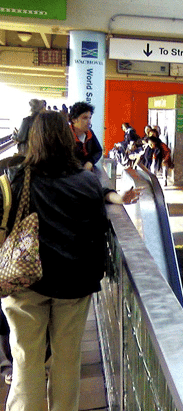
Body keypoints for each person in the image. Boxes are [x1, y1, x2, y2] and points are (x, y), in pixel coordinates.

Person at [1, 110, 108, 411]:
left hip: (25, 283)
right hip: (74, 285)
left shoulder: (16, 178)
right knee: (67, 359)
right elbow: (96, 230)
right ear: (66, 139)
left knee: (25, 359)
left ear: (31, 141)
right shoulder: (87, 181)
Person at [68, 101, 103, 171]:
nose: (89, 121)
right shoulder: (65, 135)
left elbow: (98, 151)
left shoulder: (90, 133)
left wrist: (90, 162)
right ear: (74, 119)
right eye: (85, 118)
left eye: (90, 118)